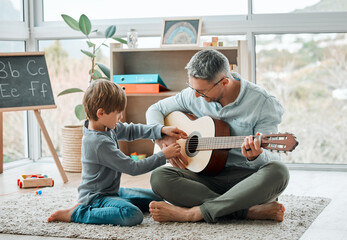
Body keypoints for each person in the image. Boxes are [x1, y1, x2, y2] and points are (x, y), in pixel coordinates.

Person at [146, 49, 290, 223]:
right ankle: (245, 211)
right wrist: (162, 137)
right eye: (193, 88)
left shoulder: (263, 103)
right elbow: (155, 109)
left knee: (278, 172)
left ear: (224, 82)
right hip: (204, 177)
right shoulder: (193, 94)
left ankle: (193, 213)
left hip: (245, 179)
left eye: (202, 91)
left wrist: (256, 156)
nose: (196, 95)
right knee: (159, 177)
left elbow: (270, 157)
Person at [47, 79, 187, 226]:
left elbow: (132, 130)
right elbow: (133, 168)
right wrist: (163, 155)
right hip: (96, 198)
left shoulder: (105, 126)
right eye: (117, 113)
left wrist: (160, 130)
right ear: (101, 113)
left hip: (112, 191)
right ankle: (78, 213)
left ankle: (116, 202)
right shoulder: (98, 143)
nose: (120, 117)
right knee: (132, 215)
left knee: (158, 199)